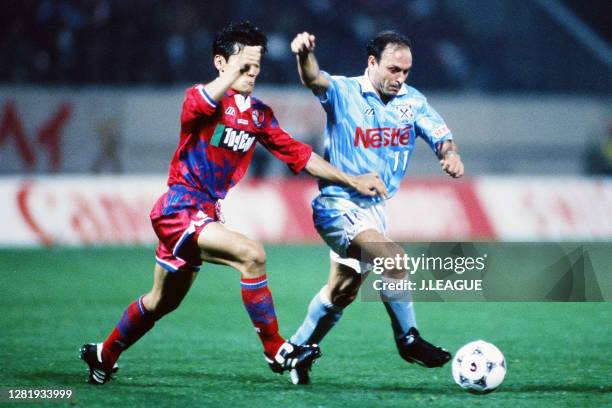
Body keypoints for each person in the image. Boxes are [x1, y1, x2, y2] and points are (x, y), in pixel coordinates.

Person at [80, 21, 387, 385]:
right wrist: (232, 75)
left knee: (162, 301)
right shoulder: (201, 98)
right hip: (178, 208)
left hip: (205, 213)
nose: (252, 73)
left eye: (256, 66)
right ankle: (277, 350)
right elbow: (203, 102)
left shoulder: (258, 114)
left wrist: (352, 180)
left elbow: (300, 155)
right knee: (252, 254)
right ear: (220, 63)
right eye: (244, 64)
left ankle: (104, 353)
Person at [288, 30, 465, 384]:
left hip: (374, 212)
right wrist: (303, 54)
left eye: (406, 72)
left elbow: (441, 137)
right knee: (394, 259)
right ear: (372, 63)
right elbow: (312, 77)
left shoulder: (412, 102)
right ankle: (408, 339)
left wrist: (451, 155)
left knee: (342, 292)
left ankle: (296, 350)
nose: (400, 79)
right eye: (393, 69)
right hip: (336, 204)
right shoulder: (343, 91)